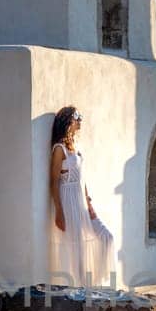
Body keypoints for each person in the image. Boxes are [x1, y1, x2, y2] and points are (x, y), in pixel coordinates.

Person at [49, 105, 115, 288]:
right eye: (77, 117)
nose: (80, 121)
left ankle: (93, 283)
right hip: (68, 200)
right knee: (76, 248)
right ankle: (79, 290)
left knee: (106, 236)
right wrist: (59, 212)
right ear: (68, 121)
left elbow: (82, 180)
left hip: (81, 201)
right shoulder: (59, 149)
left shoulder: (75, 147)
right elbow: (54, 181)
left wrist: (89, 204)